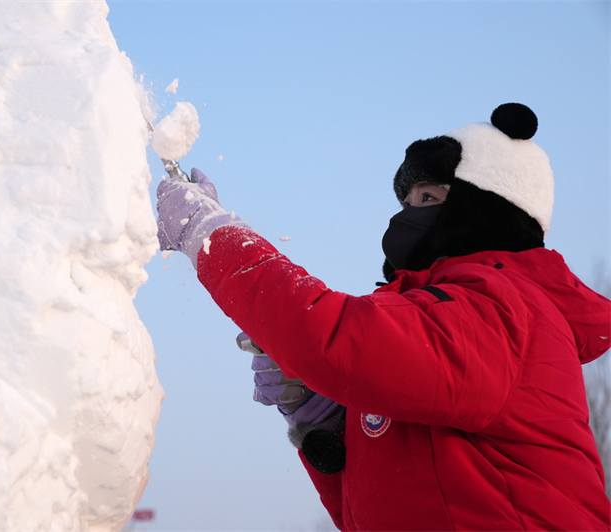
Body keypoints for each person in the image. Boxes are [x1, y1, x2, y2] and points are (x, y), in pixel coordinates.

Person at [155, 103, 611, 531]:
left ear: (485, 206)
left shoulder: (504, 305)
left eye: (429, 196)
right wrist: (327, 422)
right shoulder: (447, 316)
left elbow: (335, 337)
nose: (409, 215)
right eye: (406, 201)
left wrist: (211, 236)